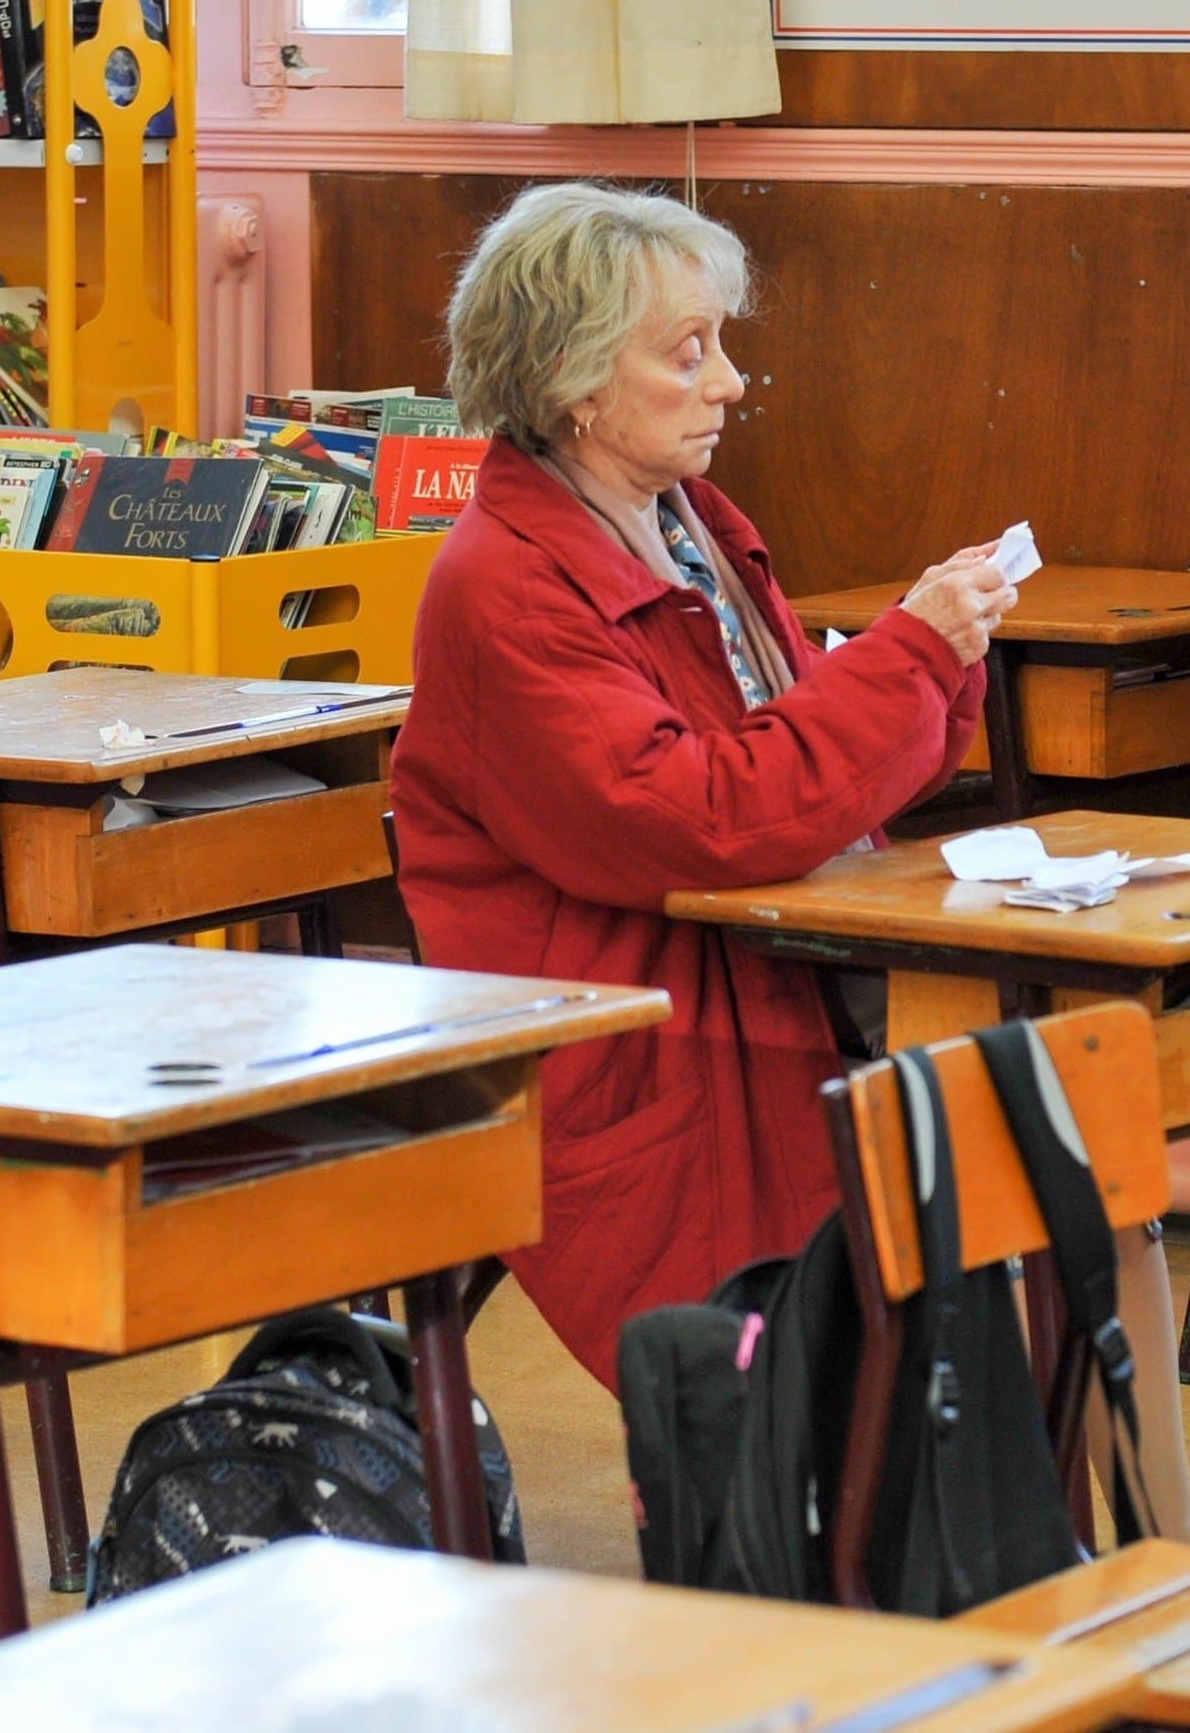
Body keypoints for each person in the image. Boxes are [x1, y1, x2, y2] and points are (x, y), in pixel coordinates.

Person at [391, 182, 1015, 1382]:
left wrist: (941, 654)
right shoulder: (509, 587)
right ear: (574, 383)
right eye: (690, 353)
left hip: (765, 981)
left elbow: (825, 786)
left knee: (1011, 1177)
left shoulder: (691, 525)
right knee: (805, 1366)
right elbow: (711, 820)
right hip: (645, 1042)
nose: (730, 382)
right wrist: (912, 653)